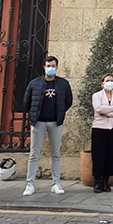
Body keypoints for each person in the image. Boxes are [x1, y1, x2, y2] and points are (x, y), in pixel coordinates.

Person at [22, 55, 73, 197]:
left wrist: (59, 114)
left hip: (55, 123)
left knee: (56, 153)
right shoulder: (34, 83)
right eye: (48, 66)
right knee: (34, 154)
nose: (51, 68)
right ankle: (30, 184)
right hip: (38, 123)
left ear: (57, 67)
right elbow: (27, 102)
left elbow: (68, 101)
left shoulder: (63, 84)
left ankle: (56, 183)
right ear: (44, 67)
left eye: (53, 66)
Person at [91, 74, 113, 193]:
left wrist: (109, 112)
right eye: (107, 81)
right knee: (98, 155)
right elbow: (99, 109)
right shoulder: (97, 96)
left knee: (110, 154)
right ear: (102, 83)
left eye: (111, 80)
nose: (109, 83)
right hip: (99, 128)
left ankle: (106, 181)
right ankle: (97, 181)